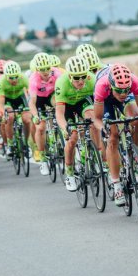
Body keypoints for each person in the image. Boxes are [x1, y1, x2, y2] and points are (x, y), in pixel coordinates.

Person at [92, 63, 138, 206]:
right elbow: (96, 119)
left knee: (135, 117)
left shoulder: (134, 82)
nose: (123, 94)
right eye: (119, 90)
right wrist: (103, 128)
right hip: (106, 101)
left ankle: (132, 154)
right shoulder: (101, 86)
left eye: (126, 90)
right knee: (112, 137)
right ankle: (116, 186)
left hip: (123, 97)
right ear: (111, 85)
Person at [54, 56, 99, 192]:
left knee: (92, 120)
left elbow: (99, 104)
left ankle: (96, 156)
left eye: (83, 76)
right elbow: (59, 114)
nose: (81, 81)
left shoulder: (92, 80)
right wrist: (65, 128)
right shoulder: (61, 83)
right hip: (67, 106)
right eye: (76, 78)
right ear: (69, 76)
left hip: (82, 102)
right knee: (72, 139)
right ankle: (69, 174)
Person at [28, 53, 64, 175]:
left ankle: (60, 136)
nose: (45, 71)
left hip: (52, 96)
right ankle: (43, 159)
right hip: (39, 100)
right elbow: (32, 103)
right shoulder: (34, 80)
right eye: (42, 69)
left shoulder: (57, 73)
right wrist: (35, 116)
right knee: (41, 127)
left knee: (57, 103)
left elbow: (63, 94)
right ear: (37, 69)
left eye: (47, 68)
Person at [0, 61, 31, 159]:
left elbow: (30, 94)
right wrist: (2, 112)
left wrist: (31, 108)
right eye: (11, 77)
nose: (14, 79)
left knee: (27, 120)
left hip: (20, 98)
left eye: (16, 77)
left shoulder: (23, 78)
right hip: (7, 100)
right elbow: (0, 100)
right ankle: (10, 144)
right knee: (9, 117)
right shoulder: (1, 82)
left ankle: (26, 143)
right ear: (6, 76)